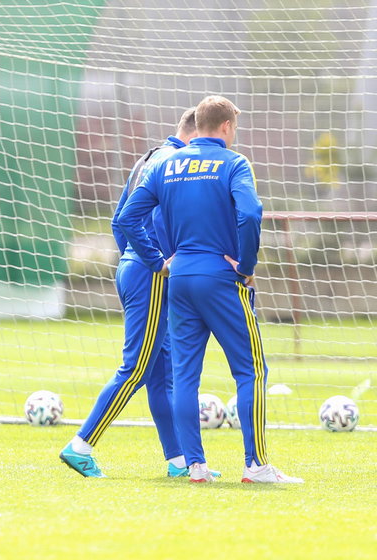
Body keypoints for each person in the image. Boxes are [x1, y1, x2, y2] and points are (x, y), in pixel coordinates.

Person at [116, 95, 303, 483]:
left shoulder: (165, 165)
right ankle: (256, 465)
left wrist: (157, 262)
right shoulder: (234, 163)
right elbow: (251, 213)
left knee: (184, 375)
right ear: (226, 127)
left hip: (179, 276)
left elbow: (127, 218)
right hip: (221, 277)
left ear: (196, 124)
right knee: (251, 370)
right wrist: (246, 267)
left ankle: (196, 467)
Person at [60, 108, 221, 479]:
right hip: (151, 275)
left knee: (160, 373)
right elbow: (129, 220)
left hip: (135, 270)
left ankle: (178, 461)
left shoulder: (147, 158)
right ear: (197, 134)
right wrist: (156, 262)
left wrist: (132, 259)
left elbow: (121, 218)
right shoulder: (177, 164)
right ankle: (80, 446)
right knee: (135, 368)